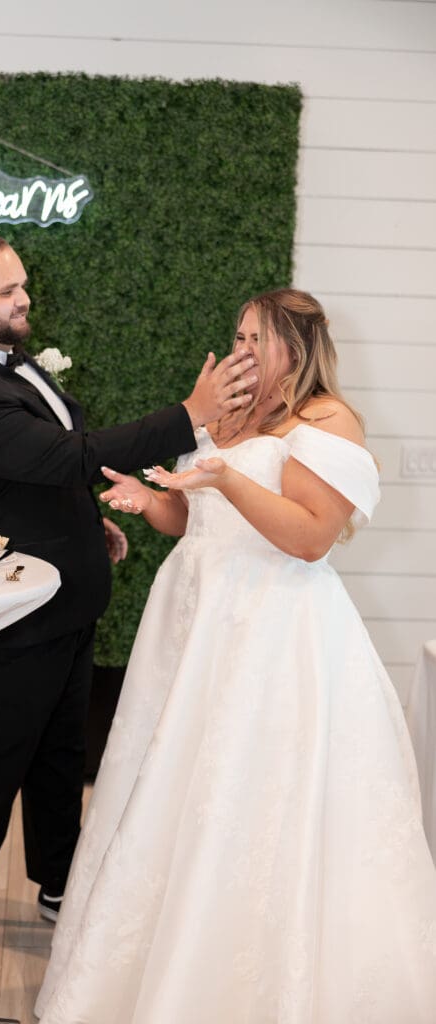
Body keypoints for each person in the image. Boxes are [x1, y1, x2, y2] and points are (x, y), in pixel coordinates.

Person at [35, 288, 436, 1023]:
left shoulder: (325, 420)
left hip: (269, 628)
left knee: (247, 791)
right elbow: (192, 521)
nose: (241, 348)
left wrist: (225, 476)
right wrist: (148, 497)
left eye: (257, 337)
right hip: (193, 618)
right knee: (171, 783)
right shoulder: (226, 413)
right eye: (238, 334)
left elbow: (309, 537)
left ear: (295, 346)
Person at [0, 230, 258, 929]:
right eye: (7, 290)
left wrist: (83, 524)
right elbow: (71, 455)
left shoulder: (7, 364)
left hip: (63, 598)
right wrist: (190, 416)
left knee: (59, 754)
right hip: (11, 610)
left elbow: (41, 471)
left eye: (22, 285)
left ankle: (56, 886)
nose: (25, 298)